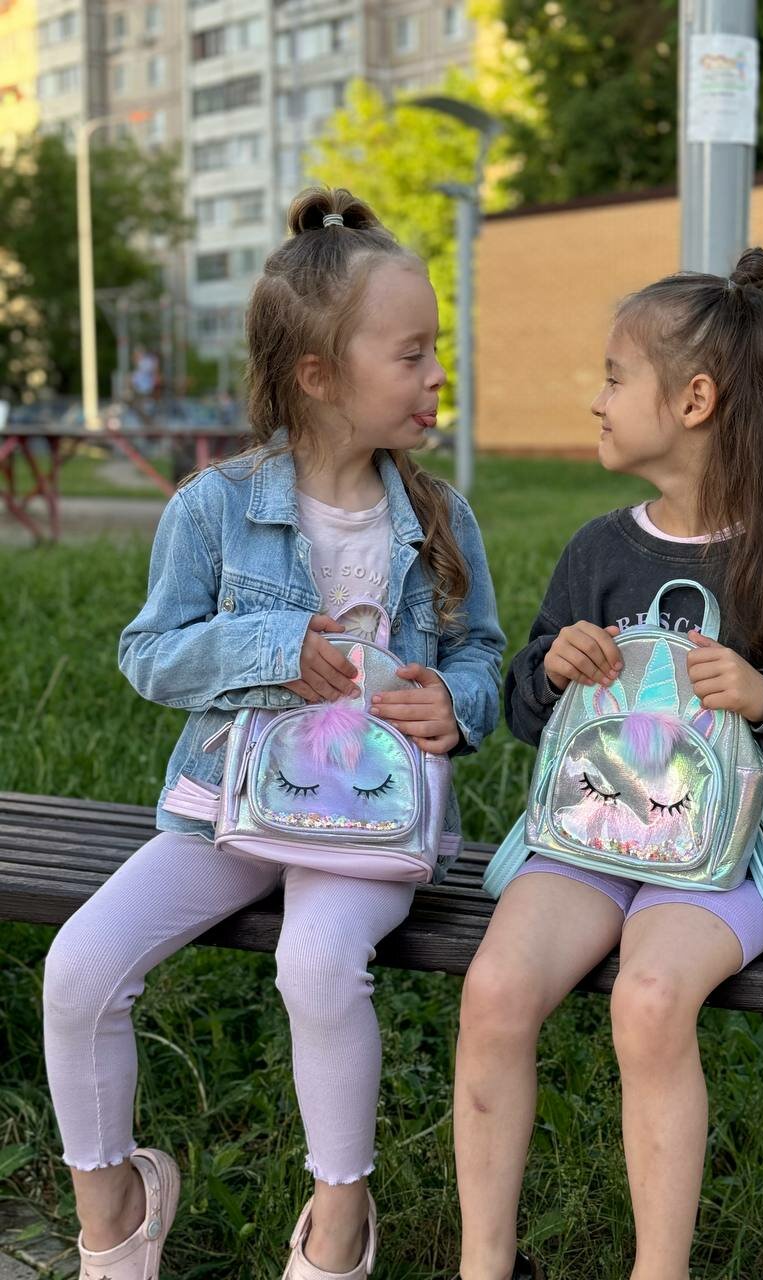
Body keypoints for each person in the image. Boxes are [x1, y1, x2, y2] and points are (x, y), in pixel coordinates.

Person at [42, 186, 505, 1280]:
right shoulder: (212, 507)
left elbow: (481, 651)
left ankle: (339, 1218)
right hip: (229, 805)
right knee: (78, 966)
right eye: (412, 354)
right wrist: (266, 645)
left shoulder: (440, 515)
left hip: (371, 821)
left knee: (317, 960)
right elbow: (149, 653)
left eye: (436, 350)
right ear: (319, 375)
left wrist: (458, 706)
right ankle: (113, 1209)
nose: (438, 374)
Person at [451, 247, 763, 1280]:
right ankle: (485, 1262)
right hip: (592, 834)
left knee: (649, 999)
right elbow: (526, 712)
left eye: (615, 376)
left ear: (694, 401)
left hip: (733, 861)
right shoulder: (598, 551)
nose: (597, 399)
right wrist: (550, 668)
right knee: (496, 988)